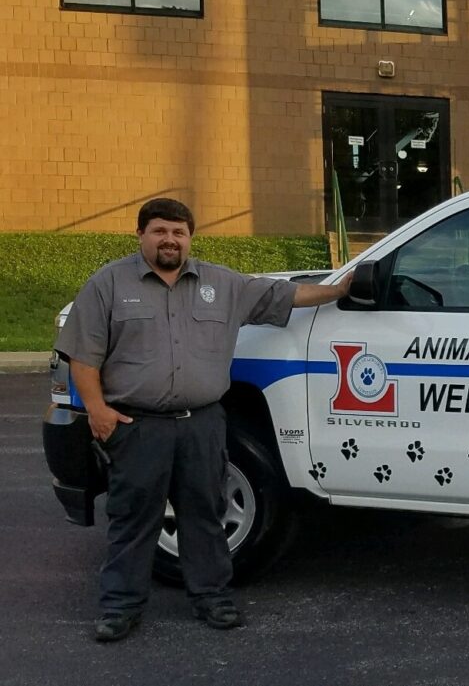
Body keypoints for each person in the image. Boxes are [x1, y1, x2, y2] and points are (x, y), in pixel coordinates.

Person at [54, 198, 352, 642]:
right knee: (133, 519)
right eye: (159, 231)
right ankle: (120, 607)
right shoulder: (108, 285)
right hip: (137, 427)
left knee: (204, 514)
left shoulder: (222, 284)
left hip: (203, 425)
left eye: (178, 232)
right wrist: (97, 410)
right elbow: (83, 355)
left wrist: (340, 289)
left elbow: (284, 295)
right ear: (141, 235)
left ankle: (213, 598)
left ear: (190, 238)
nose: (169, 240)